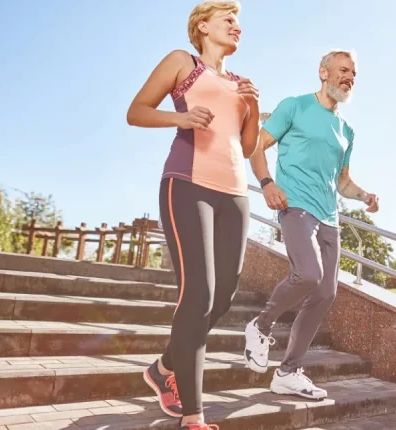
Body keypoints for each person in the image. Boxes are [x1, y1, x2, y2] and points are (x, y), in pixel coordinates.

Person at [126, 1, 259, 428]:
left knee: (224, 295)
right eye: (229, 19)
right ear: (203, 25)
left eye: (239, 22)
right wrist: (180, 117)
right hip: (187, 183)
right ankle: (193, 416)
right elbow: (137, 111)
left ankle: (164, 367)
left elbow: (249, 145)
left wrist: (253, 109)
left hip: (235, 192)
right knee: (198, 293)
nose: (237, 27)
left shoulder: (240, 82)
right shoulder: (183, 62)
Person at [243, 50, 379, 400]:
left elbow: (343, 181)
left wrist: (364, 195)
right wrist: (267, 183)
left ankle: (287, 372)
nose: (349, 77)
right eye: (343, 70)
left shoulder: (346, 130)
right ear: (323, 72)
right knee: (308, 274)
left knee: (325, 292)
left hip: (329, 217)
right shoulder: (295, 106)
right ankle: (260, 326)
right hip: (295, 206)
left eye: (354, 73)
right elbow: (257, 146)